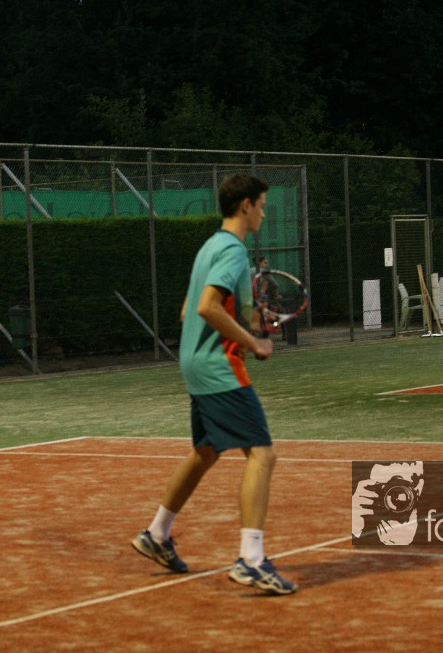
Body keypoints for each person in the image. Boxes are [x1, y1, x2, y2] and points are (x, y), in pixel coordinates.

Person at [131, 173, 296, 595]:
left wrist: (248, 324)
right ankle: (251, 560)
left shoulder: (210, 246)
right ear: (245, 205)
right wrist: (252, 342)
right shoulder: (232, 251)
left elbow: (189, 310)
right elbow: (206, 307)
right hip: (218, 367)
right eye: (261, 205)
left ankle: (157, 533)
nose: (263, 214)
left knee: (206, 451)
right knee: (262, 454)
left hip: (195, 363)